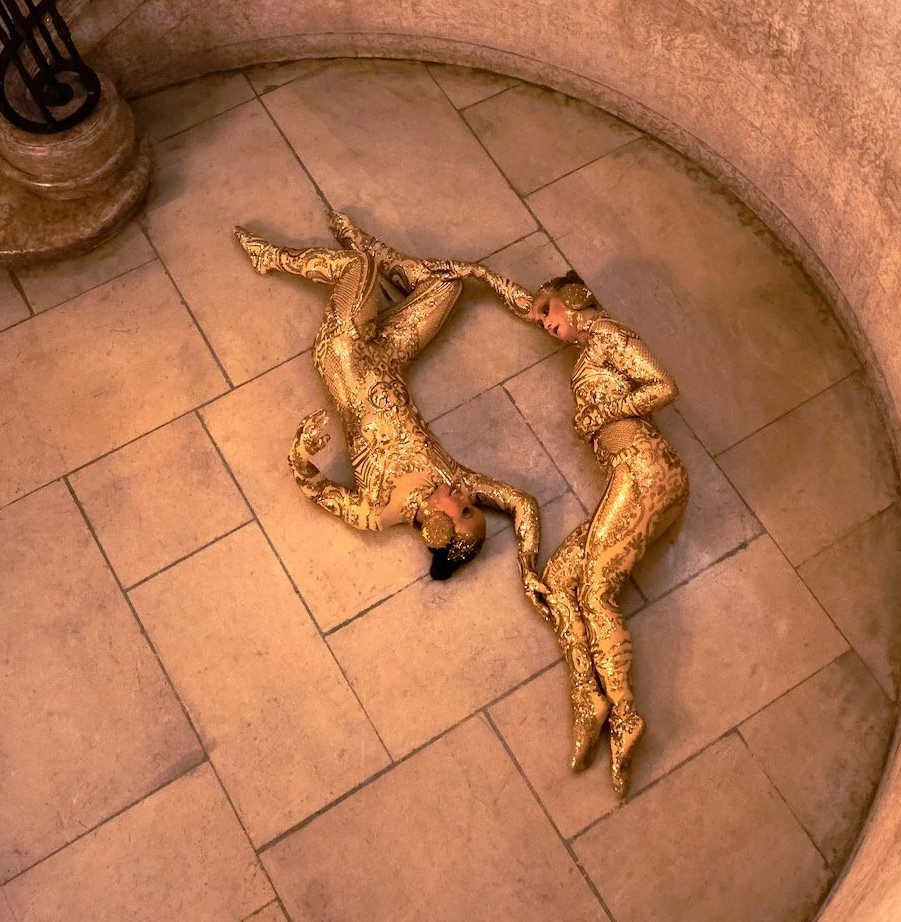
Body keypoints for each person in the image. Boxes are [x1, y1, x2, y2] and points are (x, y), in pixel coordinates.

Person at [397, 252, 687, 799]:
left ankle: (626, 715)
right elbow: (524, 302)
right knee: (557, 578)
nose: (544, 324)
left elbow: (663, 385)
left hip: (648, 471)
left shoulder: (608, 334)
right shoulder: (584, 340)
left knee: (596, 591)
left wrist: (603, 414)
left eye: (548, 312)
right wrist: (480, 275)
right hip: (626, 476)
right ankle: (588, 697)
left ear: (572, 299)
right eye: (540, 318)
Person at [233, 209, 543, 584]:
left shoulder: (376, 511)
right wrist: (528, 567)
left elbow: (313, 487)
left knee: (357, 267)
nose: (466, 497)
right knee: (449, 284)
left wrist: (301, 450)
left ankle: (272, 257)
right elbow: (522, 503)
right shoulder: (454, 479)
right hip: (390, 357)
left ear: (436, 529)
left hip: (344, 353)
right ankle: (365, 248)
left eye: (463, 511)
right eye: (471, 506)